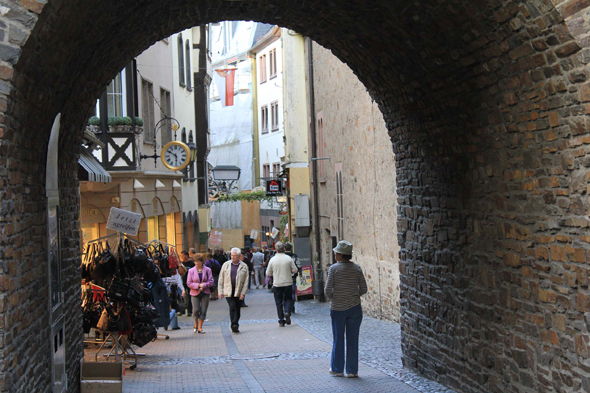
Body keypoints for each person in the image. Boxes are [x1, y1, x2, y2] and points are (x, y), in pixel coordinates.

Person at [324, 240, 367, 378]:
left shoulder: (334, 269)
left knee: (338, 338)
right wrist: (354, 296)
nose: (335, 253)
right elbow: (364, 289)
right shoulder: (357, 268)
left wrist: (333, 298)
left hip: (338, 308)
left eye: (336, 252)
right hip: (355, 308)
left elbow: (327, 289)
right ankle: (352, 371)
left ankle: (337, 369)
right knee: (353, 340)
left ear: (341, 255)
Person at [266, 242, 297, 327]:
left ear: (276, 249)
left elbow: (268, 273)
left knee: (278, 302)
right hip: (288, 282)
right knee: (288, 298)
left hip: (277, 283)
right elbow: (295, 270)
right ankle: (287, 311)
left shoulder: (272, 259)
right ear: (283, 248)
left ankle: (281, 321)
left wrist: (274, 273)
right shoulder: (288, 259)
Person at [218, 247, 249, 333]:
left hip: (238, 290)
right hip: (228, 290)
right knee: (232, 306)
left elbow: (246, 281)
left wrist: (243, 293)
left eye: (235, 256)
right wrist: (220, 291)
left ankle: (236, 322)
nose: (233, 257)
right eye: (232, 255)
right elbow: (221, 279)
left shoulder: (244, 266)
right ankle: (234, 324)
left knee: (237, 307)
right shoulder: (226, 265)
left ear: (239, 256)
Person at [186, 253, 214, 333]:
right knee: (195, 310)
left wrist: (204, 285)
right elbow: (189, 283)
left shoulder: (208, 270)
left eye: (198, 261)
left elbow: (211, 281)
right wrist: (198, 286)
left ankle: (200, 327)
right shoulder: (191, 271)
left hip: (205, 293)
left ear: (202, 261)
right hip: (195, 293)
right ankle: (196, 323)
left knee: (203, 310)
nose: (196, 263)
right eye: (195, 261)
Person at [285, 243, 301, 313]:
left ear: (284, 249)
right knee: (292, 293)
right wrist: (300, 272)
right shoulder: (294, 256)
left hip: (285, 277)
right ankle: (292, 307)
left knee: (285, 293)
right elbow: (299, 265)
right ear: (291, 248)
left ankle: (286, 307)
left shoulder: (284, 256)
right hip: (293, 277)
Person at [180, 250, 195, 316]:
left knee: (189, 296)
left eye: (183, 256)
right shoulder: (182, 263)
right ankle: (182, 310)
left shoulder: (191, 263)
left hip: (190, 282)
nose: (182, 257)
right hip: (182, 281)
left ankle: (189, 311)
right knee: (182, 296)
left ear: (186, 256)